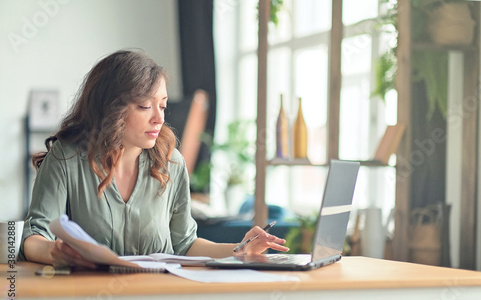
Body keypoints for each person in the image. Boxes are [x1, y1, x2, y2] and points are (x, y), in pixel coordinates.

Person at [19, 49, 288, 268]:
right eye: (145, 106)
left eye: (162, 105)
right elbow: (34, 237)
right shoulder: (66, 158)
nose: (159, 118)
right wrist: (54, 252)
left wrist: (240, 250)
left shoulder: (172, 164)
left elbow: (185, 245)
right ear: (110, 108)